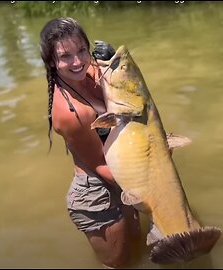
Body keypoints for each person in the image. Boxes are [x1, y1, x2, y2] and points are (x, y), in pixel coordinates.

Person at [39, 17, 141, 268]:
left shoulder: (92, 70)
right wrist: (148, 188)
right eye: (65, 56)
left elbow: (134, 98)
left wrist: (115, 64)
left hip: (121, 171)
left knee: (140, 245)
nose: (77, 62)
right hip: (96, 194)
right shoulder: (69, 112)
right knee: (121, 264)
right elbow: (100, 165)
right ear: (52, 61)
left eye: (82, 50)